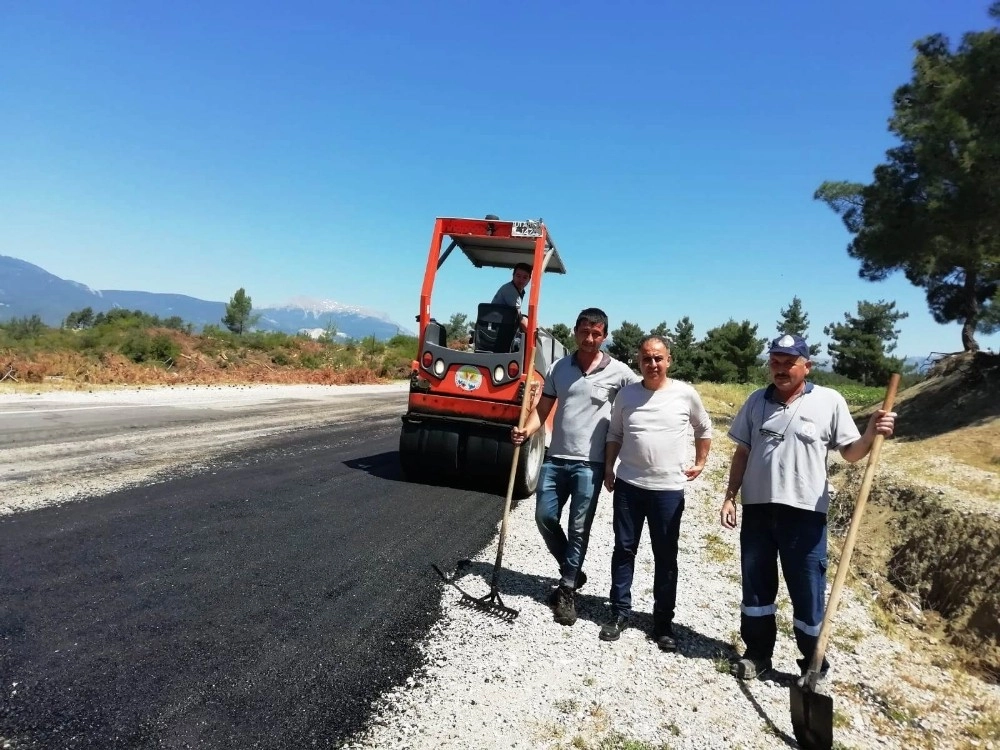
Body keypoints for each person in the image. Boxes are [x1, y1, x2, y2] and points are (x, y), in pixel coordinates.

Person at [719, 333, 897, 680]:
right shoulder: (756, 401)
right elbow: (742, 452)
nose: (781, 369)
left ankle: (812, 664)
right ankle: (757, 654)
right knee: (756, 585)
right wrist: (730, 495)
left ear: (806, 366)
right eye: (775, 362)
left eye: (789, 363)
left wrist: (872, 432)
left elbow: (851, 452)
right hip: (758, 510)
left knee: (807, 591)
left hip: (805, 514)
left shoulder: (829, 401)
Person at [511, 308, 639, 626]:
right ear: (575, 331)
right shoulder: (559, 367)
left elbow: (640, 400)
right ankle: (573, 569)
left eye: (596, 333)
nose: (590, 338)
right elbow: (543, 409)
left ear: (604, 336)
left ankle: (567, 588)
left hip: (590, 465)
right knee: (545, 517)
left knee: (580, 528)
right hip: (556, 459)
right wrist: (525, 430)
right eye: (585, 331)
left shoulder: (620, 373)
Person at [599, 335, 712, 650]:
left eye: (658, 358)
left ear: (669, 360)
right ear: (639, 361)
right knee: (624, 550)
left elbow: (704, 427)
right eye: (647, 358)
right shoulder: (626, 395)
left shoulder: (685, 395)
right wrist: (609, 467)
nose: (652, 364)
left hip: (667, 491)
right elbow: (615, 433)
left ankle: (663, 623)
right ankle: (620, 612)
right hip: (629, 487)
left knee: (665, 557)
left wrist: (701, 462)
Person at [492, 263, 532, 331]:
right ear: (513, 276)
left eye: (525, 277)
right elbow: (519, 317)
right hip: (496, 327)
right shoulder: (510, 290)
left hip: (503, 324)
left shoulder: (519, 291)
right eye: (518, 276)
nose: (521, 280)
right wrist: (529, 331)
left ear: (529, 279)